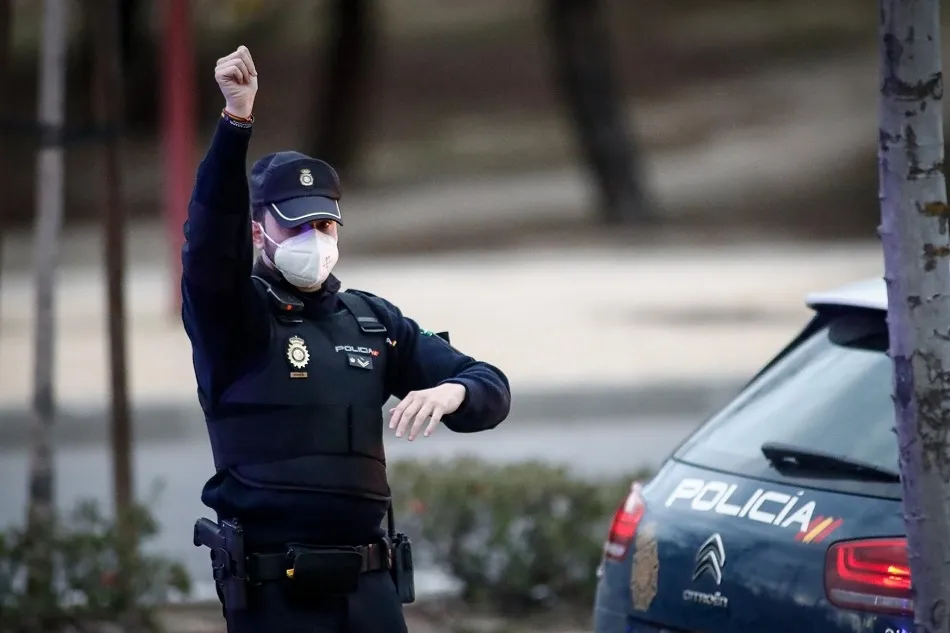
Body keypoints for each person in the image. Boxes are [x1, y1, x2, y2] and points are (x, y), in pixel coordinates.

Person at [182, 46, 512, 633]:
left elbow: (490, 386)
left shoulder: (371, 321)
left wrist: (451, 393)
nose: (317, 236)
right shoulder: (233, 318)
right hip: (275, 596)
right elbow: (210, 242)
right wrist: (236, 121)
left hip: (370, 593)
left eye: (326, 222)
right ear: (259, 231)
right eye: (298, 223)